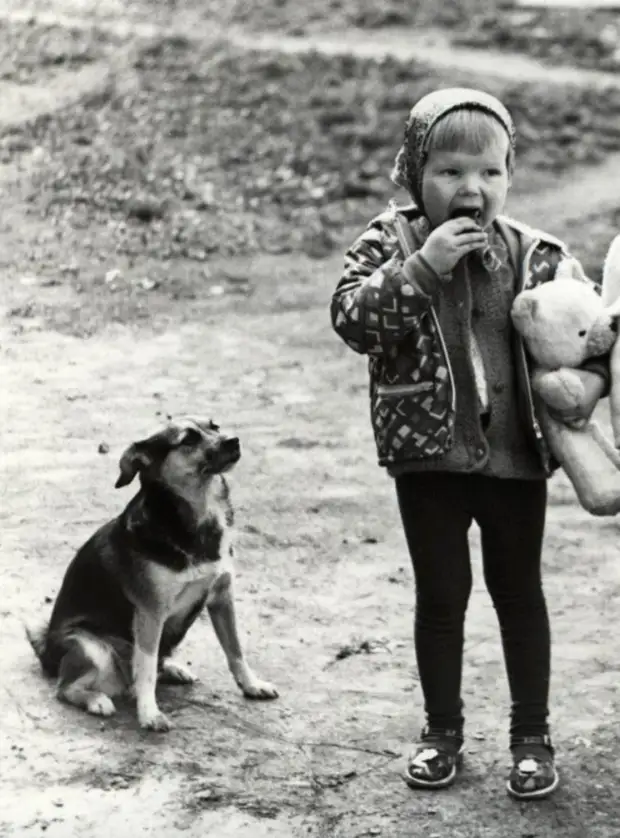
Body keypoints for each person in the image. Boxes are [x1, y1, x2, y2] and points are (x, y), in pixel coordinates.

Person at [330, 87, 609, 800]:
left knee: (520, 594)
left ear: (509, 176)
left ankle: (531, 739)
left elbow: (587, 339)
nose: (471, 189)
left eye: (489, 172)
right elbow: (352, 319)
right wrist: (423, 267)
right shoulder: (388, 242)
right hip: (427, 457)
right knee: (442, 595)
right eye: (450, 171)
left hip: (515, 458)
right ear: (415, 172)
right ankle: (441, 732)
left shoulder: (536, 254)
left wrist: (592, 379)